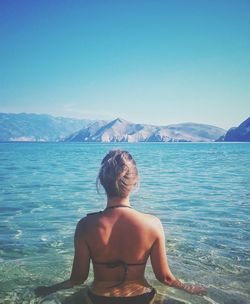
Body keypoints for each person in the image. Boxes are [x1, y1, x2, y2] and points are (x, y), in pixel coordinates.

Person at [35, 150, 206, 303]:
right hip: (144, 298)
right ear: (135, 182)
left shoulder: (85, 226)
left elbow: (78, 279)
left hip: (97, 298)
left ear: (101, 182)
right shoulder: (153, 224)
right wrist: (189, 289)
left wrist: (48, 289)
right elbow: (166, 279)